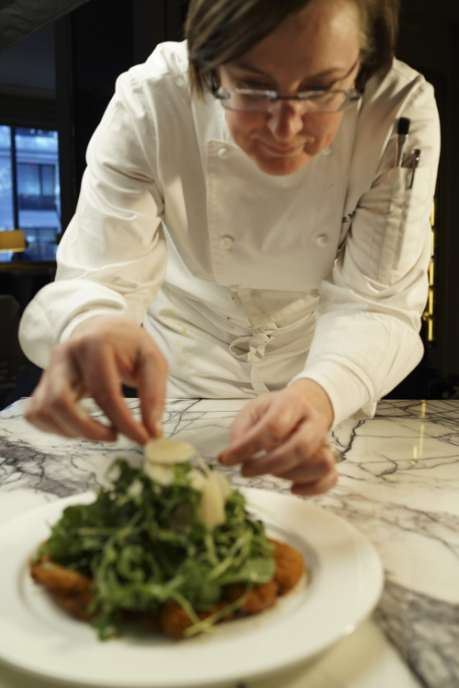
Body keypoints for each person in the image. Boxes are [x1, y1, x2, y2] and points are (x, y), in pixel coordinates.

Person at [19, 0, 440, 496]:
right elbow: (99, 274)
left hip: (325, 357)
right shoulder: (153, 100)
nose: (285, 129)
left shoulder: (397, 113)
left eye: (321, 88)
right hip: (187, 357)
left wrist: (321, 393)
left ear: (364, 67)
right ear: (206, 66)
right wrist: (92, 326)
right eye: (253, 86)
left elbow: (376, 301)